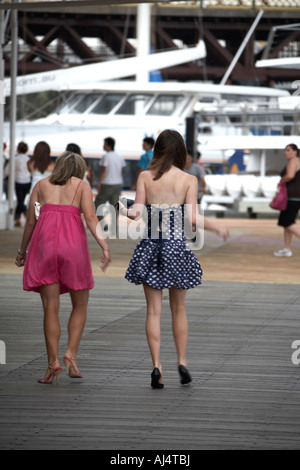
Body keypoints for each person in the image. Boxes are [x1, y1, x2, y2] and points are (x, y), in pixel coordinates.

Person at [119, 129, 229, 389]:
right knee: (178, 309)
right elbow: (192, 218)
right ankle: (182, 362)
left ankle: (157, 366)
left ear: (157, 150)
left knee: (153, 311)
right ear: (181, 151)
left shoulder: (145, 176)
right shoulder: (189, 179)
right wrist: (216, 228)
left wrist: (122, 208)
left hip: (151, 247)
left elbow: (136, 213)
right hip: (177, 250)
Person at [15, 151, 111, 384]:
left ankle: (52, 364)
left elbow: (30, 221)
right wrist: (104, 247)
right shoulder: (82, 186)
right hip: (73, 249)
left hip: (44, 247)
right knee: (80, 305)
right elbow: (90, 217)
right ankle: (71, 354)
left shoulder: (40, 185)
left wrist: (22, 251)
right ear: (79, 169)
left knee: (50, 308)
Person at [274, 144, 300, 257]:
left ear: (295, 151)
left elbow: (290, 175)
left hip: (292, 196)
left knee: (286, 221)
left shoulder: (294, 161)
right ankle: (286, 248)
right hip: (294, 196)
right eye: (285, 150)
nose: (285, 152)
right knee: (289, 222)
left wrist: (281, 180)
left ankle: (286, 248)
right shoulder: (296, 161)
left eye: (288, 150)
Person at [95, 137, 126, 228]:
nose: (103, 146)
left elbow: (103, 171)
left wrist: (99, 183)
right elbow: (122, 171)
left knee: (97, 204)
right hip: (117, 185)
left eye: (104, 144)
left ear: (108, 145)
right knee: (115, 207)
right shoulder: (119, 157)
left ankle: (103, 224)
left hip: (106, 185)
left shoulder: (106, 156)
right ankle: (115, 228)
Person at [13, 142, 31, 227]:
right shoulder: (28, 159)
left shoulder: (16, 159)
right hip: (27, 181)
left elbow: (9, 170)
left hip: (18, 181)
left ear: (18, 149)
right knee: (21, 200)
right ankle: (20, 217)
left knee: (20, 201)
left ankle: (19, 217)